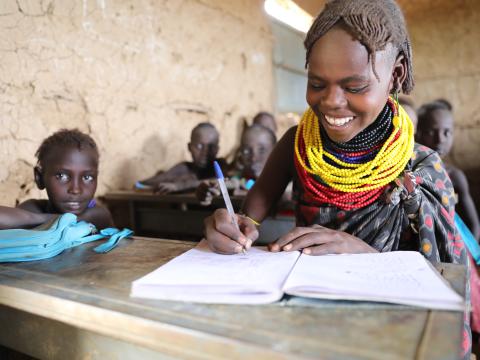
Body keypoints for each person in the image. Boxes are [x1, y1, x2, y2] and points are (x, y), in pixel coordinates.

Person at [17, 129, 113, 229]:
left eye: (87, 177)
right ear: (39, 178)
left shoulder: (99, 215)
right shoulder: (33, 208)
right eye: (62, 176)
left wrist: (34, 219)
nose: (76, 190)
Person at [416, 100, 480, 240]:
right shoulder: (412, 176)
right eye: (431, 132)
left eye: (447, 132)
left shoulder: (455, 176)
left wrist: (468, 254)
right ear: (417, 133)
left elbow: (473, 225)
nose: (440, 140)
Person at [196, 124, 276, 205]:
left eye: (262, 150)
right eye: (246, 150)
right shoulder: (239, 180)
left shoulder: (285, 182)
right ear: (240, 152)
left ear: (275, 150)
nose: (253, 158)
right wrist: (208, 191)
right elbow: (226, 185)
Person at [138, 122, 226, 194]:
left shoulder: (221, 166)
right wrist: (163, 178)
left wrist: (179, 186)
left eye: (211, 147)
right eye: (199, 146)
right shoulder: (184, 168)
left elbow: (227, 182)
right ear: (189, 147)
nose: (205, 152)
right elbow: (139, 185)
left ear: (217, 149)